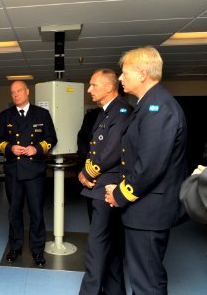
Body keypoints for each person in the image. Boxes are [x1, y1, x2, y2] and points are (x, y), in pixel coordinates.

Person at [105, 46, 188, 294]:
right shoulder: (148, 104)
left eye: (124, 72)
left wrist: (119, 194)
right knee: (144, 276)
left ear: (142, 74)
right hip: (145, 207)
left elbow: (150, 166)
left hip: (149, 211)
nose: (120, 78)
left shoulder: (158, 108)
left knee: (147, 281)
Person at [78, 69, 133, 295]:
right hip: (100, 186)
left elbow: (110, 154)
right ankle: (114, 290)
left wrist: (86, 173)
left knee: (97, 246)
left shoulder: (121, 111)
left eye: (93, 85)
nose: (89, 89)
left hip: (108, 188)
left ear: (110, 87)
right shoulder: (104, 113)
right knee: (109, 246)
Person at [0, 80, 57, 268]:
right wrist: (9, 147)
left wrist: (36, 148)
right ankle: (15, 247)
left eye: (19, 91)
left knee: (36, 213)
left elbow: (52, 138)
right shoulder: (5, 116)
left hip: (35, 172)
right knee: (14, 212)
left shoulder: (42, 114)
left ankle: (37, 251)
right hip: (13, 172)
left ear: (27, 92)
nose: (15, 95)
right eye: (12, 92)